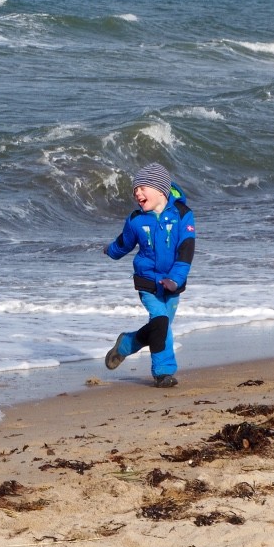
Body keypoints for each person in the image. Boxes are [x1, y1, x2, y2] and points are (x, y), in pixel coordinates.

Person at [103, 162, 195, 388]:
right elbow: (124, 243)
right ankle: (163, 372)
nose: (137, 193)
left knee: (160, 327)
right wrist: (110, 250)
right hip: (147, 282)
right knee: (161, 322)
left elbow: (186, 251)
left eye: (142, 187)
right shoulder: (135, 219)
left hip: (173, 284)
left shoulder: (183, 215)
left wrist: (175, 279)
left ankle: (126, 344)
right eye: (135, 190)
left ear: (160, 189)